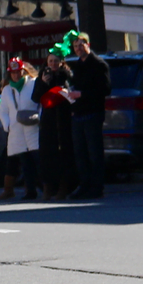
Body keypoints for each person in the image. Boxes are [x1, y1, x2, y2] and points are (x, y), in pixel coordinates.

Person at [66, 32, 109, 199]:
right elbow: (74, 87)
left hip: (93, 113)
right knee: (80, 152)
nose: (78, 49)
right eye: (75, 46)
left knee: (94, 152)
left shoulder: (99, 64)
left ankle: (97, 187)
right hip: (77, 114)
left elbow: (105, 89)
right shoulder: (77, 66)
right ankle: (84, 185)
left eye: (81, 45)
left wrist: (81, 94)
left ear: (88, 45)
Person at [0, 57, 41, 201]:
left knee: (39, 159)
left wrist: (40, 117)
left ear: (23, 71)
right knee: (25, 162)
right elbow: (2, 111)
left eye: (18, 72)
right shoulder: (7, 90)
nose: (16, 75)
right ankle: (30, 191)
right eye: (13, 72)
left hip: (33, 127)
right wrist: (7, 125)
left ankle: (49, 189)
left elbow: (41, 103)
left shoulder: (34, 84)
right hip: (16, 131)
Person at [35, 48, 76, 199]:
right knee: (47, 153)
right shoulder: (43, 76)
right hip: (48, 119)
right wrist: (43, 84)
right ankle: (47, 187)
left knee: (64, 154)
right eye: (50, 61)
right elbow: (35, 97)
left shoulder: (67, 75)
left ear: (61, 62)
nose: (53, 64)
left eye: (56, 61)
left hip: (63, 117)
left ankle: (64, 187)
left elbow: (72, 94)